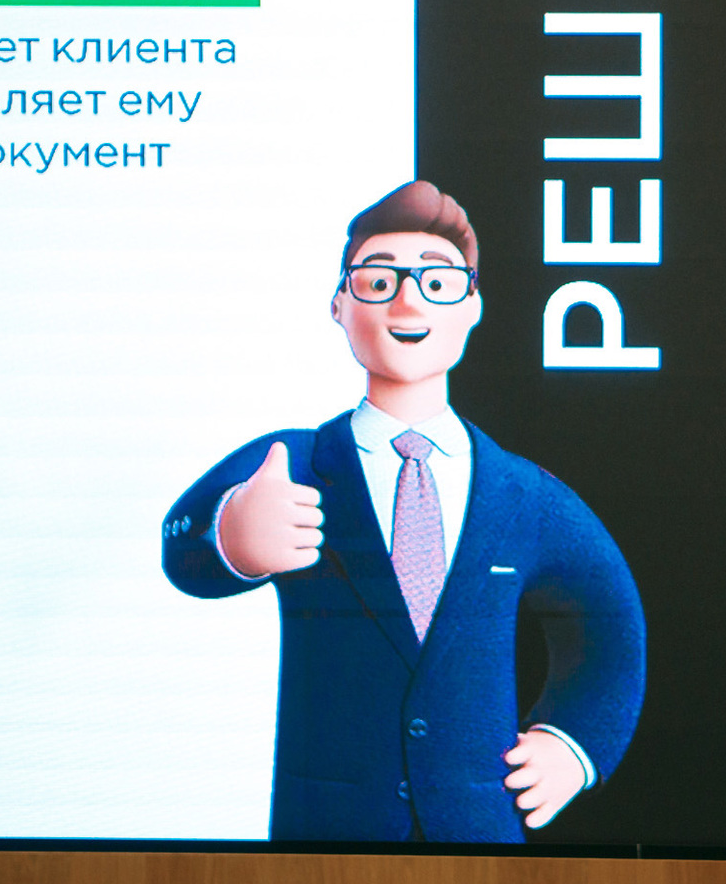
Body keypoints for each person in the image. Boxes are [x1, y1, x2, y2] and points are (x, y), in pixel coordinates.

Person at [162, 181, 645, 843]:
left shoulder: (521, 492)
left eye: (438, 282)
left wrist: (575, 744)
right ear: (339, 303)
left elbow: (611, 617)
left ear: (472, 305)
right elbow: (180, 542)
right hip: (327, 834)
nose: (409, 301)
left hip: (479, 834)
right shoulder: (294, 463)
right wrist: (230, 533)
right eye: (378, 280)